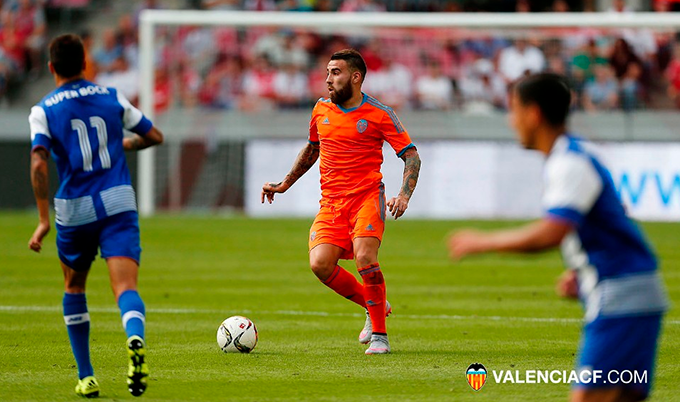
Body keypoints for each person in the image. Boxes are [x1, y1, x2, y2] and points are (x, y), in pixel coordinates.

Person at [448, 73, 668, 402]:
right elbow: (605, 223)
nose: (511, 121)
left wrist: (483, 242)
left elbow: (553, 231)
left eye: (514, 110)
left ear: (533, 114)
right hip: (630, 291)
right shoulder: (573, 156)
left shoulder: (569, 163)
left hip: (621, 297)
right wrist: (583, 272)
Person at [28, 34, 163, 398]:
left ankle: (86, 376)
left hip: (75, 208)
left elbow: (39, 162)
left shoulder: (43, 109)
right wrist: (123, 144)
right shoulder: (112, 97)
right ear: (85, 63)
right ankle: (134, 338)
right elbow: (154, 135)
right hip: (118, 200)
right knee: (126, 288)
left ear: (51, 67)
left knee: (74, 287)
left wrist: (43, 220)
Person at [261, 49, 421, 355]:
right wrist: (284, 184)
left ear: (355, 77)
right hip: (332, 204)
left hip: (367, 198)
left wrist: (404, 195)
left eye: (335, 72)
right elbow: (312, 150)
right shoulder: (320, 109)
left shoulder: (380, 113)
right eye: (327, 73)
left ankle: (380, 336)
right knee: (320, 264)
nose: (328, 79)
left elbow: (411, 156)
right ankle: (373, 304)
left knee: (365, 258)